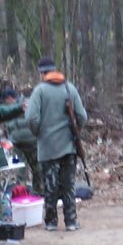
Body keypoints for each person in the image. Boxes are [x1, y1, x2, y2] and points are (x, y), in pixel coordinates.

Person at [26, 56, 88, 232]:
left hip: (48, 147)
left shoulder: (39, 91)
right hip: (69, 146)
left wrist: (38, 132)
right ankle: (71, 221)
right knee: (68, 185)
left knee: (50, 185)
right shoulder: (70, 88)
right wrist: (75, 131)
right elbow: (82, 116)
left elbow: (31, 118)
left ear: (41, 73)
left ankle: (51, 222)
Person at [0, 88, 31, 220]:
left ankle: (36, 198)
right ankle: (20, 198)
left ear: (10, 98)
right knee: (20, 172)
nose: (5, 103)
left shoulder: (24, 106)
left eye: (6, 101)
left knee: (37, 171)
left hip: (32, 143)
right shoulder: (0, 109)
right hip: (16, 145)